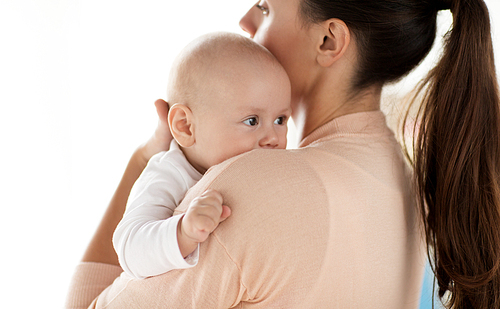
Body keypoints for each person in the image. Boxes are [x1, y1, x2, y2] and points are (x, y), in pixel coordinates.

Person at [65, 0, 500, 308]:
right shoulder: (405, 181)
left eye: (266, 6)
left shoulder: (253, 186)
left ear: (329, 40)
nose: (245, 20)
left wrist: (149, 159)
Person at [112, 32, 291, 279]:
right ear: (186, 126)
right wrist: (183, 233)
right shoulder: (169, 174)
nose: (273, 137)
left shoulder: (272, 169)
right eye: (252, 121)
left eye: (280, 120)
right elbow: (130, 248)